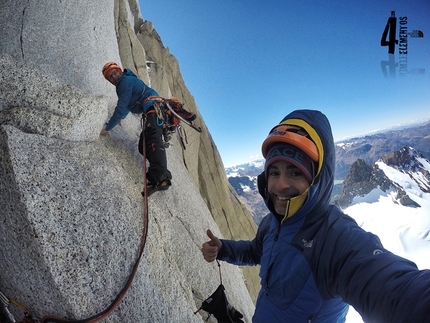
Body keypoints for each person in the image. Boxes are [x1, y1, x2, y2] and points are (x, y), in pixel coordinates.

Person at [201, 109, 430, 323]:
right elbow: (255, 251)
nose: (280, 184)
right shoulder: (272, 223)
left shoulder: (335, 239)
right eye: (274, 172)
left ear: (317, 178)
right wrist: (224, 249)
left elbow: (396, 291)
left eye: (294, 171)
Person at [100, 62, 172, 196]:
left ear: (120, 71)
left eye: (114, 73)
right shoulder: (126, 81)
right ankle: (158, 172)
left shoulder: (124, 81)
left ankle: (160, 178)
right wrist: (122, 116)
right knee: (143, 145)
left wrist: (108, 127)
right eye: (110, 76)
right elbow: (129, 104)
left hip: (154, 107)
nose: (114, 77)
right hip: (152, 109)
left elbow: (122, 105)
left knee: (152, 138)